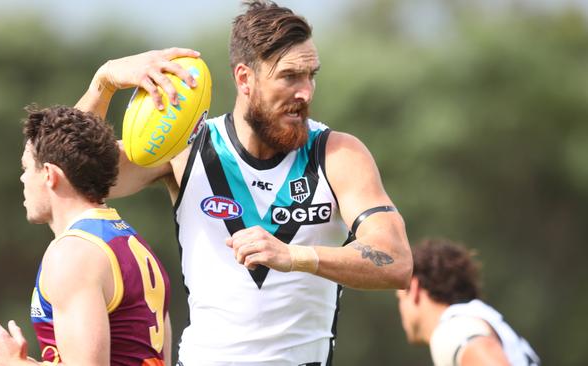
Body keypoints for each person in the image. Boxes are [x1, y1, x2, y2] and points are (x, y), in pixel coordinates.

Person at [75, 1, 413, 365]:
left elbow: (396, 261)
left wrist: (295, 256)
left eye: (311, 75)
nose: (306, 93)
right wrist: (103, 83)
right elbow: (71, 177)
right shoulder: (187, 149)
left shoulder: (336, 154)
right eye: (289, 77)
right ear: (244, 79)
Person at [0, 105, 172, 366]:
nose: (22, 179)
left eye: (26, 169)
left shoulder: (73, 253)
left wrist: (12, 364)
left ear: (49, 175)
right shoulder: (131, 241)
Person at [396, 239, 540, 366]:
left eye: (400, 298)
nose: (400, 309)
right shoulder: (474, 319)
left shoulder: (452, 330)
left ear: (414, 288)